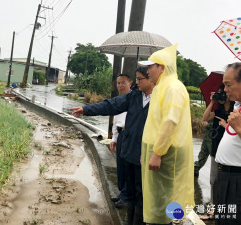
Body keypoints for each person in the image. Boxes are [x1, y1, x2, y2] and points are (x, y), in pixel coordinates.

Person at [71, 67, 154, 225]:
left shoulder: (160, 99)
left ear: (150, 79)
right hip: (130, 151)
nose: (136, 83)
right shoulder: (134, 96)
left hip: (145, 155)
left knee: (142, 195)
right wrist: (86, 110)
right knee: (131, 195)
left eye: (139, 79)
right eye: (135, 79)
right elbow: (111, 105)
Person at [139, 44, 194, 225]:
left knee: (167, 196)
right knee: (155, 194)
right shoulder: (160, 87)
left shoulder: (173, 88)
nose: (147, 70)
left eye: (151, 66)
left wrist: (157, 153)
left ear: (162, 67)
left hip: (166, 153)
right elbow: (153, 124)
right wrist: (145, 152)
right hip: (157, 151)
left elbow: (170, 122)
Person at [214, 62, 241, 225]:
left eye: (228, 84)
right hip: (223, 177)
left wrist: (239, 127)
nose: (225, 89)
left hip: (237, 180)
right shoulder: (236, 106)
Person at [202, 84, 234, 206]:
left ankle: (224, 204)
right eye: (219, 93)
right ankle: (213, 205)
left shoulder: (234, 112)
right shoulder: (217, 111)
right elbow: (204, 118)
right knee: (213, 179)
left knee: (226, 180)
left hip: (229, 151)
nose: (221, 95)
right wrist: (211, 103)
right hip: (216, 148)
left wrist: (225, 125)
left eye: (223, 93)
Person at [109, 74, 132, 208]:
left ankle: (126, 196)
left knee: (128, 167)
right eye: (118, 83)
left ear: (130, 83)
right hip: (121, 134)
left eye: (123, 82)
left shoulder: (134, 99)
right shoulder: (118, 100)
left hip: (130, 135)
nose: (120, 85)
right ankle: (122, 193)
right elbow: (115, 121)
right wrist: (114, 138)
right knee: (121, 166)